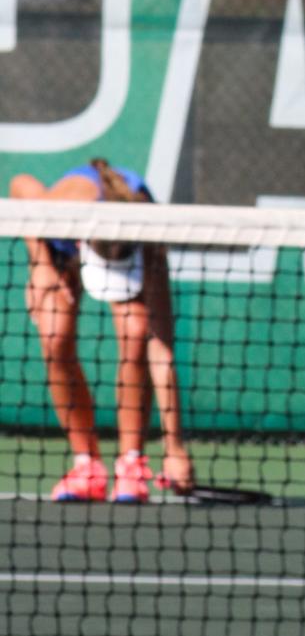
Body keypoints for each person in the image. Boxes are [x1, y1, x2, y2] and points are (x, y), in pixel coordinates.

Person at [9, 157, 195, 502]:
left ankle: (131, 462)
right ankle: (86, 466)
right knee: (53, 338)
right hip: (61, 248)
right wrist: (41, 263)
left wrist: (175, 447)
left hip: (128, 240)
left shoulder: (150, 239)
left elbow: (162, 348)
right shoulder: (63, 209)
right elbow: (20, 185)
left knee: (138, 334)